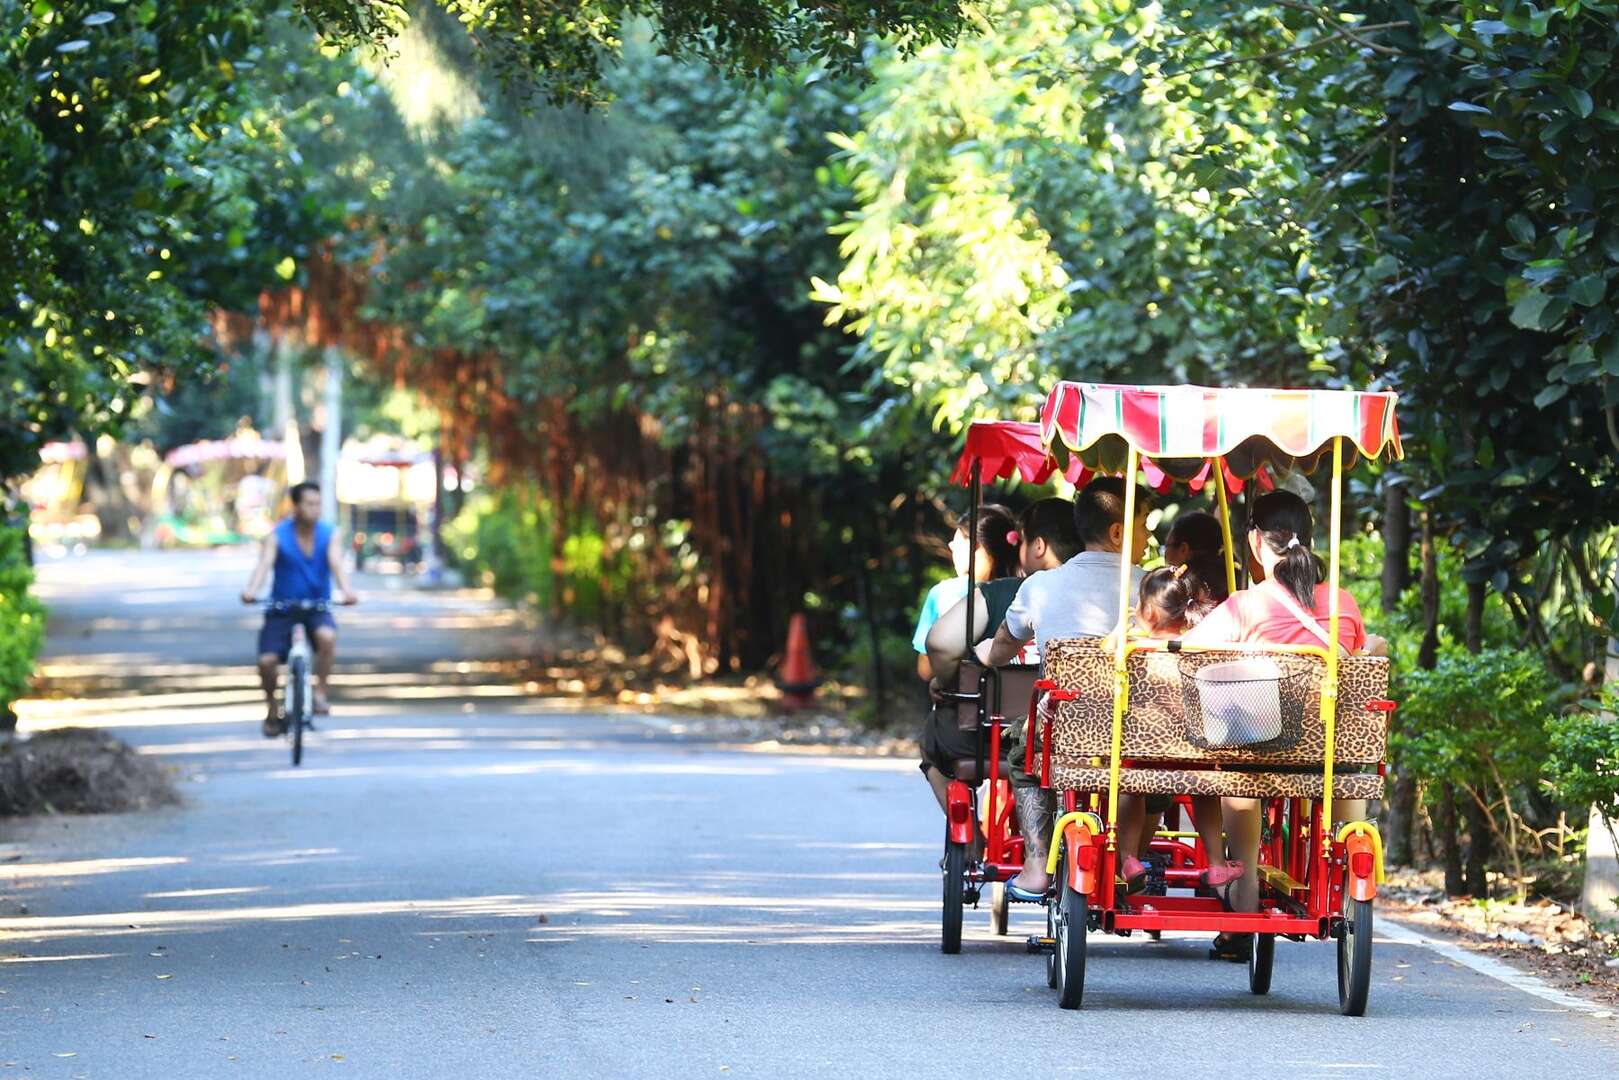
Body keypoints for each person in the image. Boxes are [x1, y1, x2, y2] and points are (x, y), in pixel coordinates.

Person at [1183, 489, 1369, 959]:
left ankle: (1242, 888)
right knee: (1341, 764)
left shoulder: (1243, 608)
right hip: (1329, 760)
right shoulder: (1342, 602)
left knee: (1239, 770)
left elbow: (1185, 657)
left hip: (1260, 751)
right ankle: (1348, 870)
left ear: (1255, 544)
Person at [982, 478, 1151, 900]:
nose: (1149, 535)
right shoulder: (1151, 587)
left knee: (1025, 761)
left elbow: (1003, 647)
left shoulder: (1040, 586)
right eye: (1144, 523)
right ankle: (1131, 854)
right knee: (1146, 773)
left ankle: (1037, 867)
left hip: (1060, 731)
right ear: (1117, 532)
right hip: (1136, 734)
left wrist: (987, 654)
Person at [915, 499, 1082, 817]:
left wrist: (948, 681)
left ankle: (972, 840)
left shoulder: (1001, 593)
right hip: (1078, 738)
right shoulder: (1106, 597)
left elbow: (937, 644)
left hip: (990, 739)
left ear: (1039, 546)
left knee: (933, 735)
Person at [241, 481, 358, 735]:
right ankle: (272, 709)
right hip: (282, 607)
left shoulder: (329, 534)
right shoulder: (277, 535)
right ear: (295, 506)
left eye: (318, 504)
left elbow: (337, 564)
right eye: (309, 504)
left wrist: (347, 591)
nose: (315, 509)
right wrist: (251, 591)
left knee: (327, 637)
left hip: (317, 606)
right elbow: (264, 565)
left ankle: (320, 692)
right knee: (267, 661)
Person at [911, 504, 1019, 682]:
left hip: (964, 703)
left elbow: (926, 670)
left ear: (974, 546)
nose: (951, 547)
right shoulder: (1027, 590)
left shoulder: (943, 593)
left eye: (956, 544)